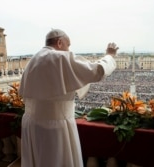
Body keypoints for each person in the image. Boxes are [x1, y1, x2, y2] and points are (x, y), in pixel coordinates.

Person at [19, 28, 119, 167]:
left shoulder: (32, 61)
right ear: (60, 42)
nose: (69, 49)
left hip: (31, 124)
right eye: (68, 45)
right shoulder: (60, 57)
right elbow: (97, 71)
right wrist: (109, 55)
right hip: (54, 125)